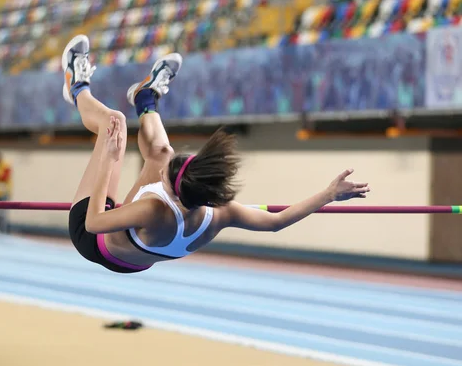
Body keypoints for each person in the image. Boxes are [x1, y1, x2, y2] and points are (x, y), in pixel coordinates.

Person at [63, 35, 370, 274]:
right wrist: (328, 194)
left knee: (113, 123)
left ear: (173, 193)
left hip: (94, 240)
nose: (163, 172)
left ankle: (76, 85)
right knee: (161, 153)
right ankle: (146, 98)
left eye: (167, 177)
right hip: (137, 254)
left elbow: (94, 222)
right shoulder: (221, 212)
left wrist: (111, 159)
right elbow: (277, 221)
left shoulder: (153, 210)